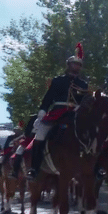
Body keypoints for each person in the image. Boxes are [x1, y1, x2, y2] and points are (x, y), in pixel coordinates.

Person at [26, 43, 89, 180]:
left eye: (78, 65)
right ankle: (34, 168)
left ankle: (93, 168)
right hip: (57, 111)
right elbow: (48, 98)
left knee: (92, 135)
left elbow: (84, 100)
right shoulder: (58, 81)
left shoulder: (84, 84)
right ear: (69, 65)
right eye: (74, 64)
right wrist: (43, 110)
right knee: (40, 135)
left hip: (75, 113)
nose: (76, 67)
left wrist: (80, 108)